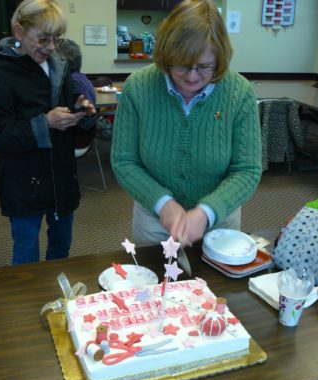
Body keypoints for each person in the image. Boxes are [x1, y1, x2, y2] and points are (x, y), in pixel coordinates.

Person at [111, 0, 262, 248]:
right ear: (166, 56)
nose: (192, 77)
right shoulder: (138, 88)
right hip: (154, 221)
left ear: (220, 59)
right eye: (181, 65)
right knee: (156, 285)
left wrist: (207, 211)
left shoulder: (239, 93)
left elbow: (247, 169)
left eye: (203, 67)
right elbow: (124, 161)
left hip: (220, 223)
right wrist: (162, 203)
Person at [0, 0, 96, 265]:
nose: (50, 47)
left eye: (56, 39)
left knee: (61, 251)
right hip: (23, 181)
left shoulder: (59, 65)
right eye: (43, 38)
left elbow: (70, 107)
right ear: (18, 32)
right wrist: (44, 123)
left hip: (61, 175)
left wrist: (82, 112)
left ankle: (57, 306)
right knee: (26, 257)